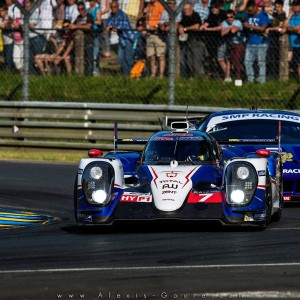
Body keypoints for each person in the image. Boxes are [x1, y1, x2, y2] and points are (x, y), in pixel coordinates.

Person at [105, 0, 135, 75]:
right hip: (121, 40)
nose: (113, 9)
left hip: (128, 39)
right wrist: (110, 27)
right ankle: (126, 75)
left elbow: (121, 26)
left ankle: (132, 74)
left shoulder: (122, 14)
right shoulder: (111, 15)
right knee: (120, 59)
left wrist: (112, 27)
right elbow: (108, 24)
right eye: (111, 7)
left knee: (128, 59)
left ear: (118, 7)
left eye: (114, 7)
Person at [178, 2, 207, 78]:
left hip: (197, 41)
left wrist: (185, 29)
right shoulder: (185, 16)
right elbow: (181, 23)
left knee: (196, 61)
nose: (186, 10)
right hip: (188, 41)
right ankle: (192, 77)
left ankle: (199, 78)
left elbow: (197, 26)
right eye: (185, 9)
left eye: (187, 9)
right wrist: (180, 27)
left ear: (192, 9)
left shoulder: (195, 15)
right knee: (189, 61)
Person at [243, 0, 269, 83]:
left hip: (261, 42)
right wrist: (245, 25)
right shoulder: (248, 15)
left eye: (251, 10)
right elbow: (245, 25)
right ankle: (250, 80)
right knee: (247, 62)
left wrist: (250, 26)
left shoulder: (263, 15)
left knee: (261, 63)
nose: (250, 12)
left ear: (255, 7)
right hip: (250, 41)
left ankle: (262, 80)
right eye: (248, 10)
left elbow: (262, 28)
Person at [200, 1, 226, 78]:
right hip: (214, 39)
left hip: (224, 39)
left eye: (215, 7)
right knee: (214, 57)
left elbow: (221, 27)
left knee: (221, 58)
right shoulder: (212, 15)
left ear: (219, 8)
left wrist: (208, 29)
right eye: (212, 8)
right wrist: (202, 26)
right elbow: (206, 23)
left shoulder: (223, 14)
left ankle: (227, 75)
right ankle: (215, 74)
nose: (213, 9)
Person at [220, 9, 246, 84]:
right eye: (227, 17)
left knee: (236, 61)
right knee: (231, 60)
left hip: (239, 43)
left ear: (234, 17)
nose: (229, 19)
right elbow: (222, 33)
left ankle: (239, 79)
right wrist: (230, 28)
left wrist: (228, 29)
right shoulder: (225, 22)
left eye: (231, 17)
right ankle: (234, 77)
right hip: (231, 44)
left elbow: (233, 31)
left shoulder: (238, 22)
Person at [71, 2, 94, 76]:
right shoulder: (78, 18)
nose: (81, 11)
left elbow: (88, 26)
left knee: (89, 60)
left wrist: (77, 26)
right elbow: (73, 25)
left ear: (85, 8)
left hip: (88, 41)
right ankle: (81, 74)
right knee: (81, 60)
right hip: (79, 43)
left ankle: (89, 76)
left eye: (82, 9)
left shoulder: (89, 16)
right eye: (79, 9)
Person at [145, 0, 166, 78]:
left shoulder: (161, 6)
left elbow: (163, 19)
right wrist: (147, 26)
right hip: (149, 34)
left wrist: (156, 27)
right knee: (152, 56)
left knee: (161, 56)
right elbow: (147, 17)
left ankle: (161, 75)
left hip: (158, 34)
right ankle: (153, 74)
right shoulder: (149, 6)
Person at [86, 0, 102, 76]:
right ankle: (89, 68)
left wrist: (91, 21)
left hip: (95, 31)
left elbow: (99, 22)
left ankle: (95, 69)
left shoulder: (97, 9)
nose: (91, 2)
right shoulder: (87, 10)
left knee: (95, 51)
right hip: (88, 33)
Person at [287, 0, 300, 80]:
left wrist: (290, 28)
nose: (294, 7)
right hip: (293, 44)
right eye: (293, 5)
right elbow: (285, 27)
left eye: (297, 5)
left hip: (299, 44)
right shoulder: (292, 16)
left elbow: (298, 28)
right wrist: (289, 16)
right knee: (296, 63)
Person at [0, 4, 14, 72]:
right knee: (4, 59)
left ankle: (8, 73)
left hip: (10, 41)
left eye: (2, 11)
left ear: (6, 11)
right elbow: (2, 26)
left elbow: (11, 25)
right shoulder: (0, 19)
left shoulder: (10, 17)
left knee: (8, 59)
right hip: (3, 42)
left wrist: (7, 23)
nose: (0, 13)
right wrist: (5, 22)